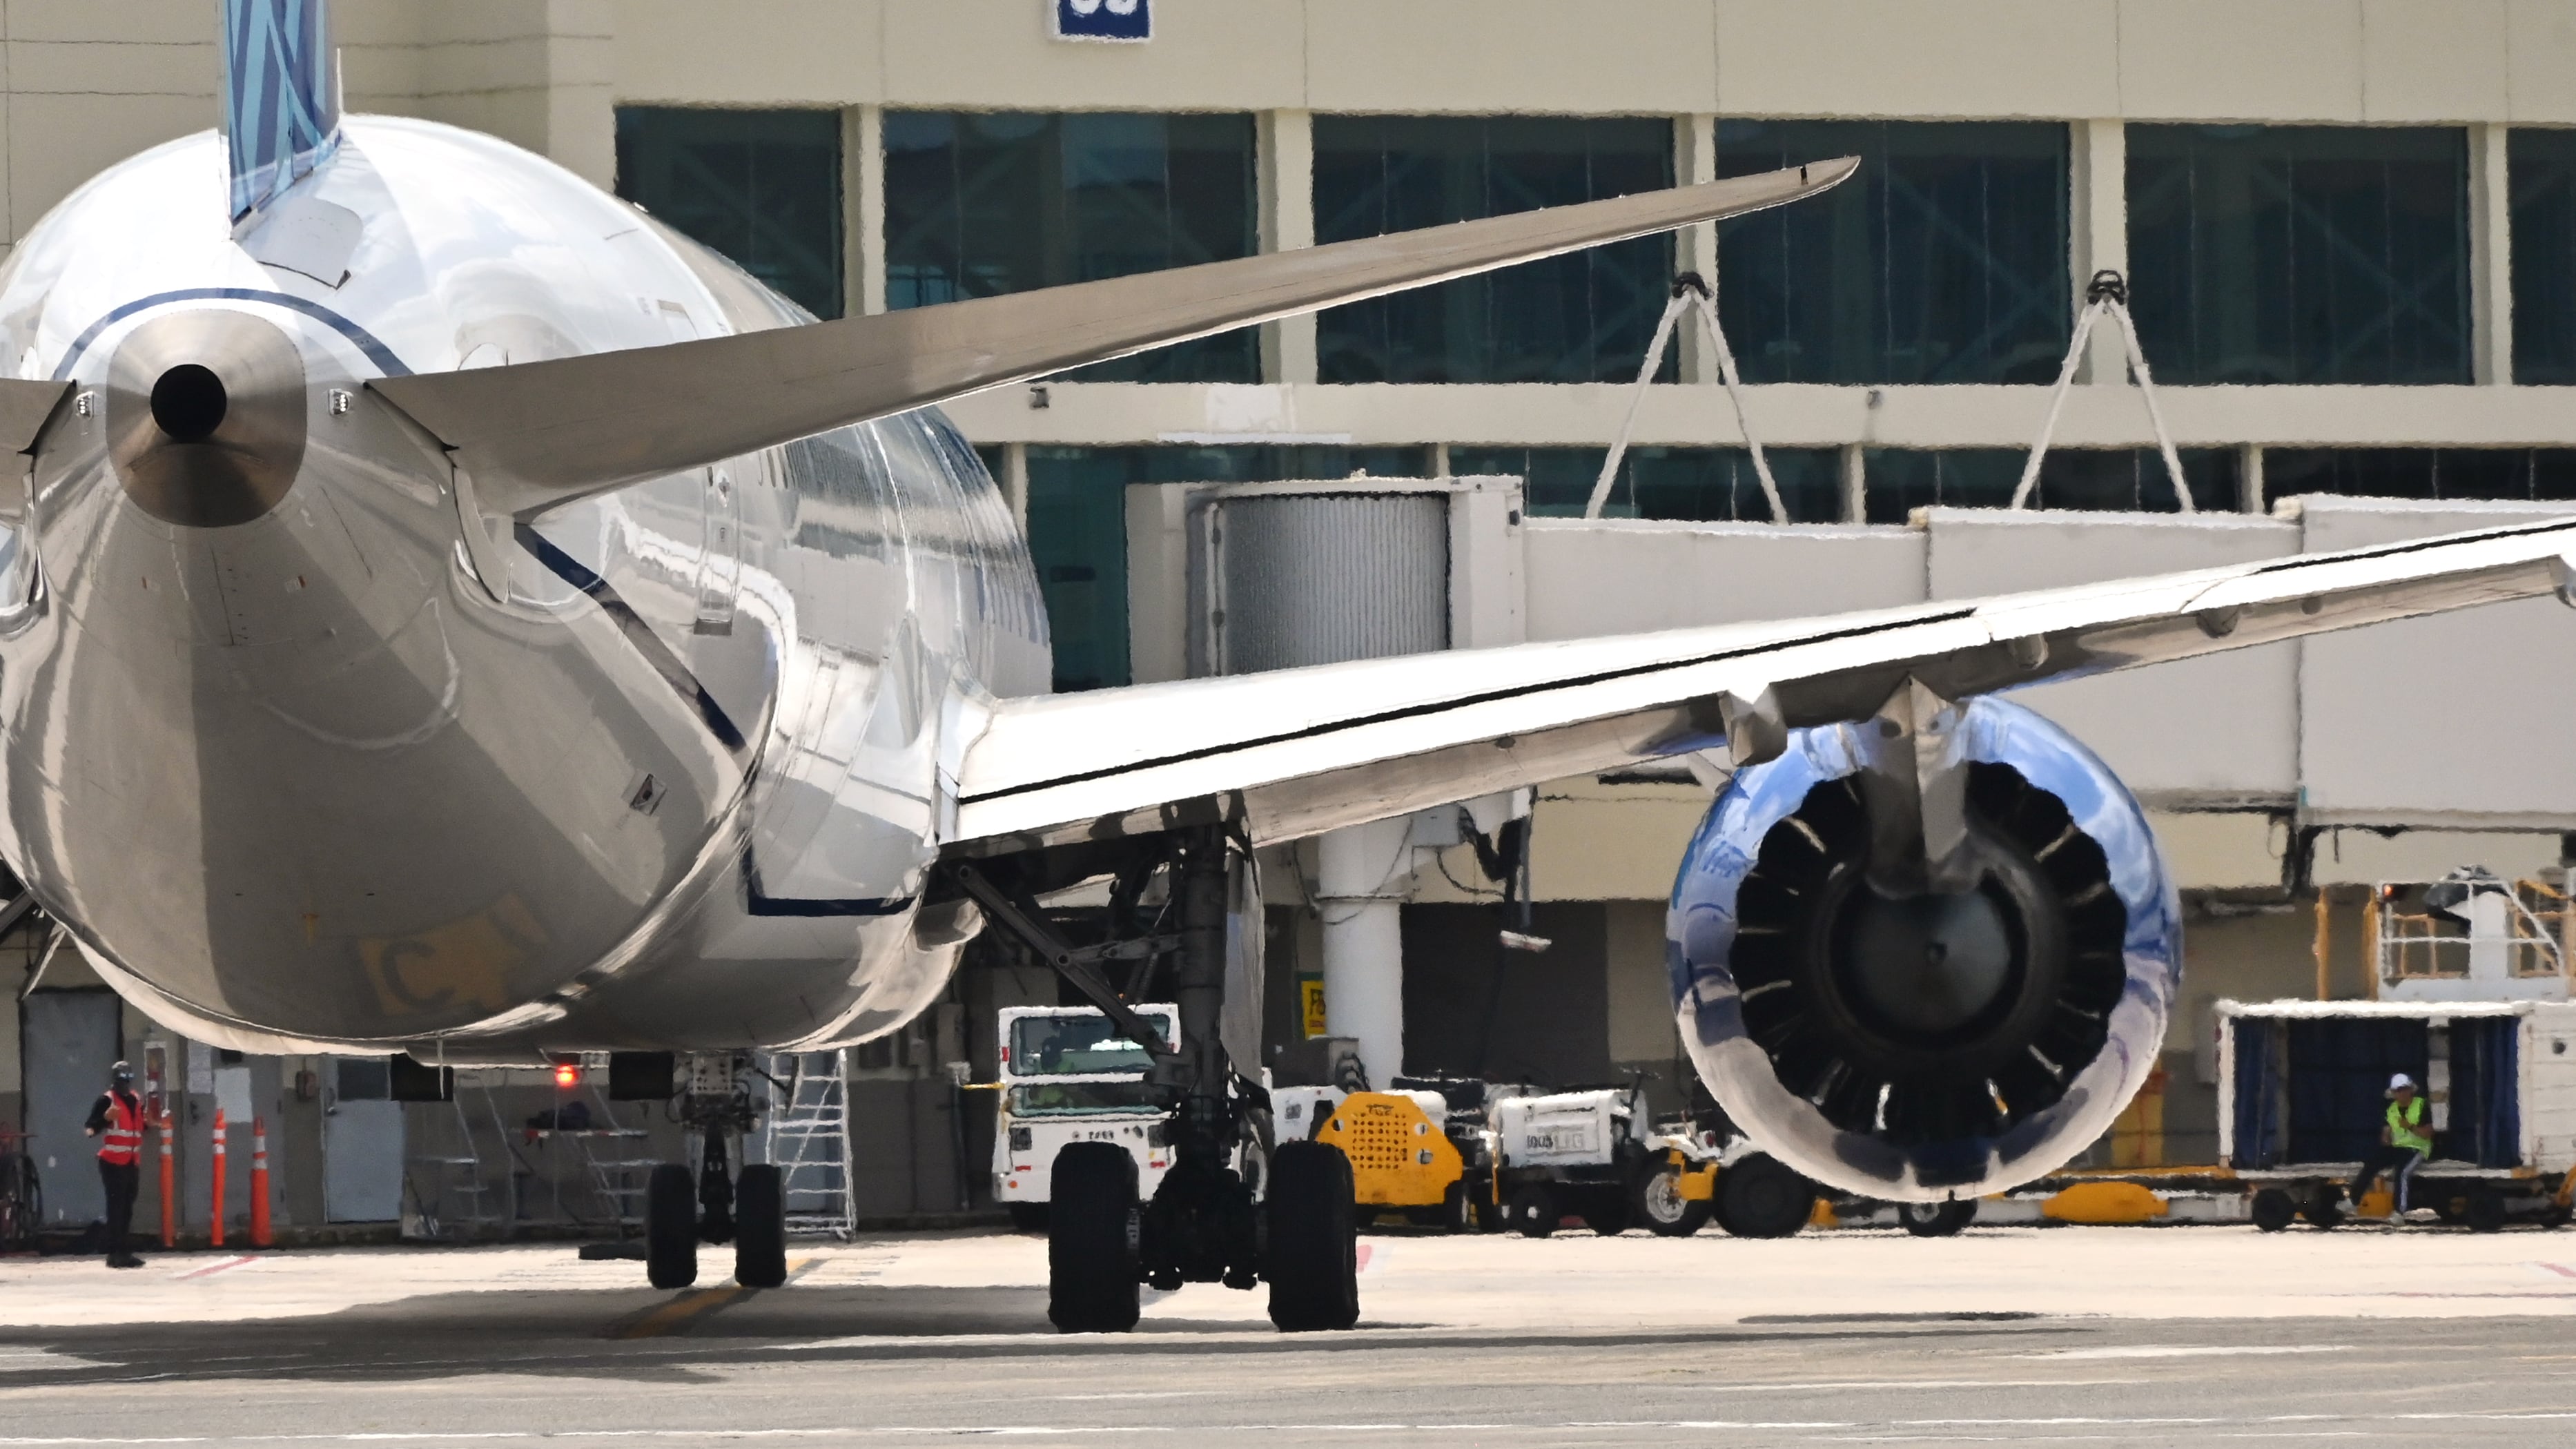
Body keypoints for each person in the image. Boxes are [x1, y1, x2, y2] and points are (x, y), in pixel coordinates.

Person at [81, 1061, 146, 1268]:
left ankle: (124, 1252)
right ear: (114, 1080)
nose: (124, 1084)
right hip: (112, 1163)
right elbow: (90, 1130)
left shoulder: (136, 1100)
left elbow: (140, 1126)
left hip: (131, 1162)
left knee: (127, 1209)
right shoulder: (106, 1101)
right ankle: (115, 1253)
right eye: (121, 1080)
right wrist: (104, 1119)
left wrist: (152, 1122)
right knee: (116, 1209)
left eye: (127, 1080)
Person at [2348, 1072, 2434, 1221]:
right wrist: (2386, 1137)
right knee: (2371, 1163)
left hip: (2417, 1148)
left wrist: (2410, 1127)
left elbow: (2428, 1133)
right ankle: (2353, 1201)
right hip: (2398, 1147)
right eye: (2398, 1091)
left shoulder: (2421, 1105)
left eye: (2404, 1089)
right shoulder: (2392, 1109)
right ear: (2393, 1093)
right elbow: (2386, 1131)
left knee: (2402, 1172)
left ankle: (2399, 1212)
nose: (2401, 1093)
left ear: (2410, 1090)